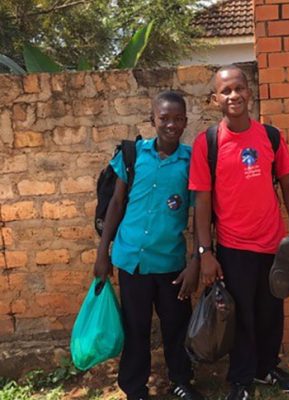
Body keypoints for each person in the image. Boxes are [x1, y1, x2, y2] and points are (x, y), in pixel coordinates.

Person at [189, 65, 289, 400]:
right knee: (240, 317)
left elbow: (288, 184)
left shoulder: (270, 136)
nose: (233, 95)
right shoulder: (208, 143)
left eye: (239, 88)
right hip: (233, 246)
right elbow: (201, 201)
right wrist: (204, 252)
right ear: (215, 100)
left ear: (250, 93)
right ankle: (240, 381)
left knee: (271, 312)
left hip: (274, 244)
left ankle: (266, 367)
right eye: (225, 91)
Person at [94, 91, 204, 400]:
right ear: (152, 119)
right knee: (136, 328)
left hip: (171, 263)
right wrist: (104, 253)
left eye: (178, 119)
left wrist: (195, 261)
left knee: (176, 327)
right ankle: (134, 388)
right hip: (132, 260)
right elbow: (116, 203)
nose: (171, 124)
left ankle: (181, 380)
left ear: (185, 121)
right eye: (164, 118)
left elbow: (199, 215)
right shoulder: (133, 155)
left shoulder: (191, 160)